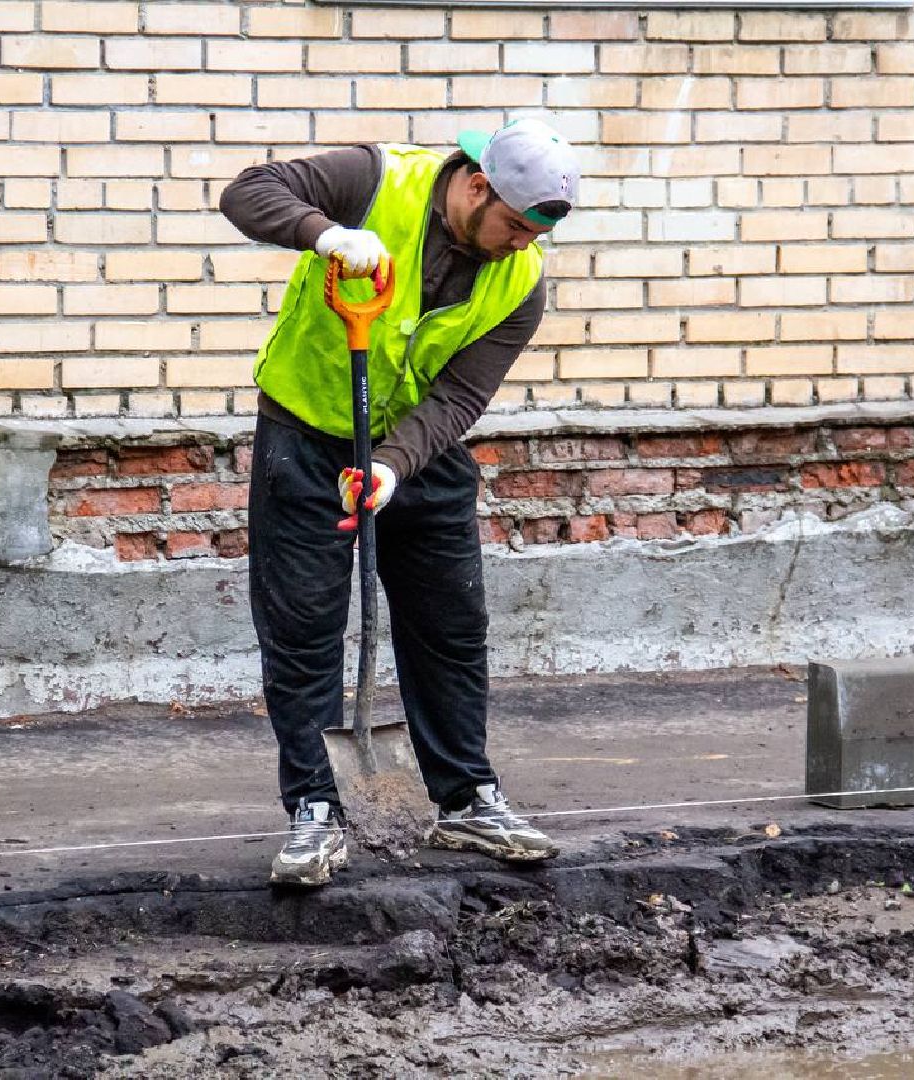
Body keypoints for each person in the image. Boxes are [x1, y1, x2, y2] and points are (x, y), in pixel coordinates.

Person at [219, 118, 581, 887]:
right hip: (306, 433)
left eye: (535, 234)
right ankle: (316, 810)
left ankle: (465, 799)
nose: (523, 244)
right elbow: (247, 193)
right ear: (476, 186)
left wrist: (388, 467)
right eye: (515, 226)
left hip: (416, 448)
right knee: (303, 629)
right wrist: (325, 236)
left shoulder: (521, 280)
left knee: (451, 626)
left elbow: (460, 395)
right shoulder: (374, 179)